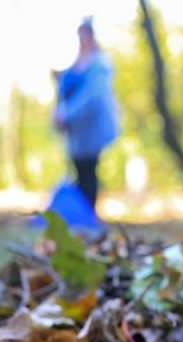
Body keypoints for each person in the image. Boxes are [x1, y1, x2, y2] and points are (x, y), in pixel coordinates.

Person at [53, 16, 119, 212]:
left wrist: (66, 114)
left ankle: (89, 214)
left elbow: (91, 97)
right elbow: (67, 88)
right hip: (76, 132)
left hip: (91, 129)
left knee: (89, 169)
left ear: (90, 35)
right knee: (80, 169)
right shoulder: (77, 63)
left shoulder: (98, 64)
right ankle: (82, 213)